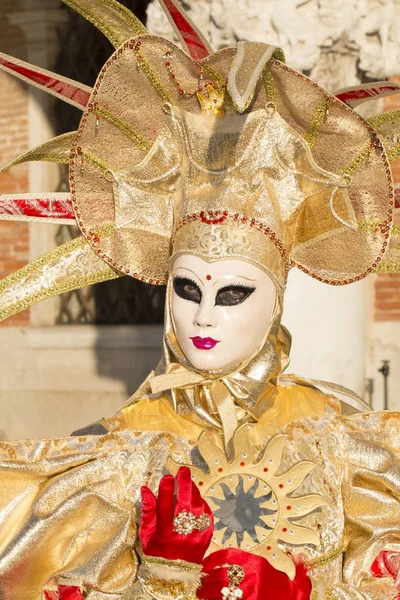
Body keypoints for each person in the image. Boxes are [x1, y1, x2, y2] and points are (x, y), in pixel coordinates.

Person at [0, 0, 399, 598]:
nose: (204, 314)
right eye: (187, 289)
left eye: (234, 292)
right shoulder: (120, 448)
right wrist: (165, 576)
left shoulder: (337, 431)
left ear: (275, 304)